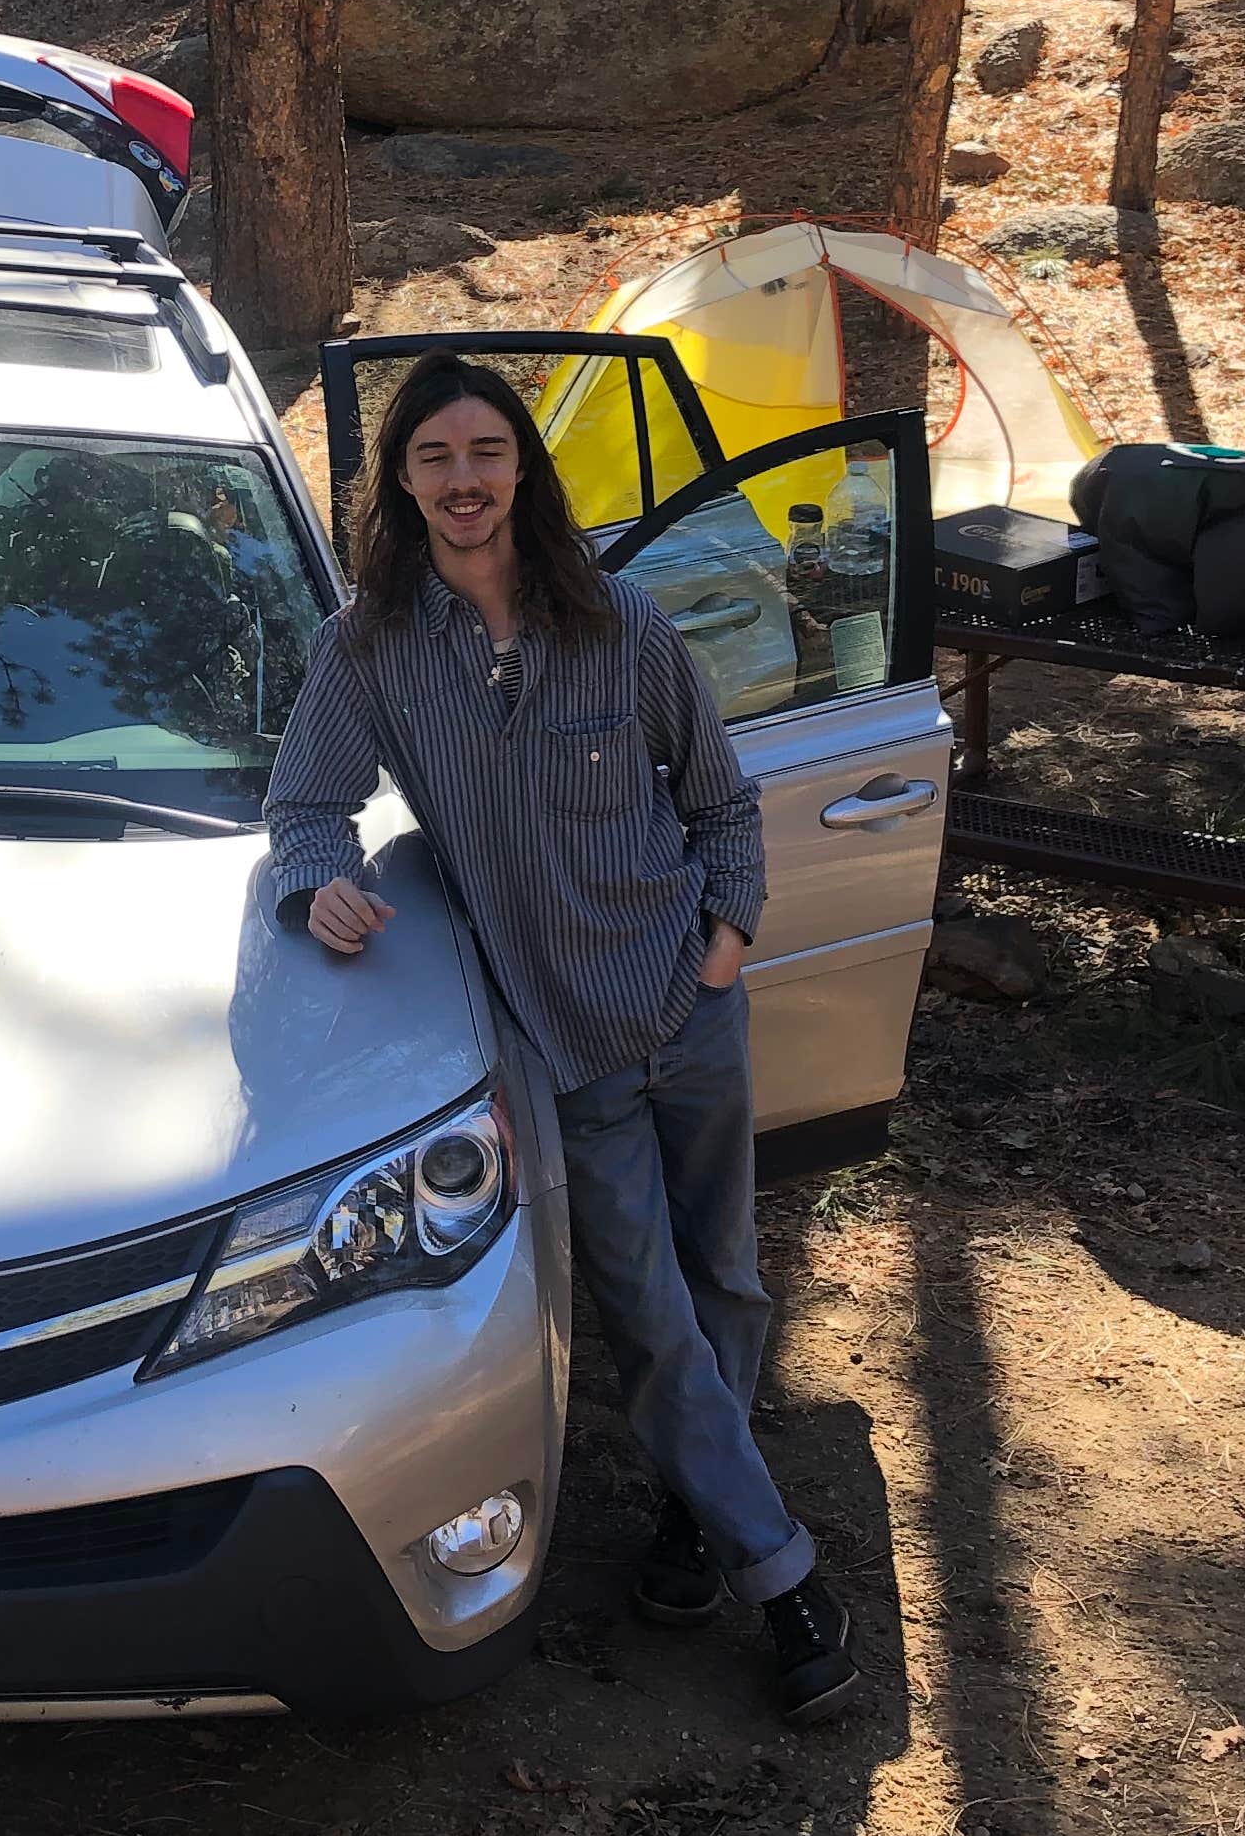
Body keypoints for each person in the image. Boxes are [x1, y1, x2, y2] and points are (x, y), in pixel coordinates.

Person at [265, 356, 856, 1724]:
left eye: (486, 452)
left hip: (691, 1009)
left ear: (521, 468)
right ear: (401, 485)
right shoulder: (368, 650)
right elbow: (302, 804)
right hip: (569, 1050)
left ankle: (692, 1515)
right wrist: (320, 883)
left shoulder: (618, 622)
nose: (463, 481)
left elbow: (721, 803)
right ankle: (784, 1580)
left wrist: (724, 946)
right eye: (434, 458)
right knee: (647, 1315)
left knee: (727, 1282)